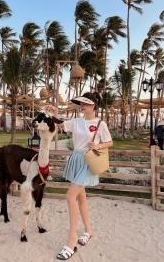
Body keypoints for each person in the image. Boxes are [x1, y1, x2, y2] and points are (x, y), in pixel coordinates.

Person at [45, 92, 113, 260]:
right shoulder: (76, 121)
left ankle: (72, 240)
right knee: (81, 198)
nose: (82, 106)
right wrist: (54, 113)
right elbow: (60, 123)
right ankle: (89, 231)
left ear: (94, 106)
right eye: (81, 103)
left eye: (86, 103)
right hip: (76, 159)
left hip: (88, 161)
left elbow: (110, 142)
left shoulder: (100, 124)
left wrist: (98, 145)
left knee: (70, 196)